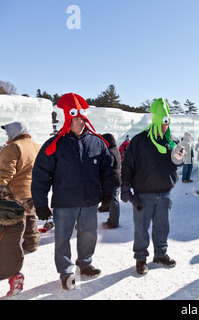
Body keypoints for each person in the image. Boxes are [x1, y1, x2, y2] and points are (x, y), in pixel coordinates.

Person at [31, 93, 114, 290]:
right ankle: (66, 272)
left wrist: (108, 194)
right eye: (75, 118)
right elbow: (41, 175)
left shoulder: (97, 142)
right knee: (62, 239)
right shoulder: (54, 145)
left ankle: (84, 264)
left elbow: (107, 172)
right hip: (64, 202)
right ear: (68, 119)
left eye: (82, 119)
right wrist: (41, 203)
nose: (80, 122)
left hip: (90, 201)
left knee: (88, 235)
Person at [121, 98, 184, 276]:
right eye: (162, 123)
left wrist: (180, 158)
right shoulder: (139, 140)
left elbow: (179, 163)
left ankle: (160, 254)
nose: (165, 127)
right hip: (143, 193)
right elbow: (127, 166)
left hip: (165, 193)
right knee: (141, 227)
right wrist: (125, 188)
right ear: (155, 121)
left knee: (162, 226)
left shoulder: (172, 141)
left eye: (167, 123)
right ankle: (141, 259)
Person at [0, 122, 41, 253]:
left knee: (14, 222)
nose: (6, 135)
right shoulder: (37, 147)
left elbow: (5, 171)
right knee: (30, 217)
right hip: (34, 190)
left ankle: (11, 249)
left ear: (15, 131)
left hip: (15, 193)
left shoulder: (13, 147)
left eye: (8, 131)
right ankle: (32, 244)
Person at [99, 133, 122, 229]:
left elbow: (109, 166)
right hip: (117, 178)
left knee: (114, 200)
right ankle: (111, 218)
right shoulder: (115, 150)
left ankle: (113, 222)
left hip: (112, 179)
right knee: (114, 199)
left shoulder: (110, 152)